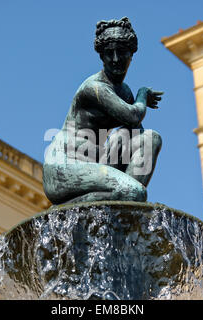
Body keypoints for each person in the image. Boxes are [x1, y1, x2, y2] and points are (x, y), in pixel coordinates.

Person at [43, 17, 163, 204]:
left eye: (121, 52)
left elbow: (136, 134)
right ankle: (116, 202)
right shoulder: (94, 88)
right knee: (134, 192)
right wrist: (142, 94)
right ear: (101, 56)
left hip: (95, 162)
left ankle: (126, 206)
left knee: (151, 139)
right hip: (64, 168)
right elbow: (133, 116)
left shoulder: (124, 92)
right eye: (109, 53)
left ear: (132, 54)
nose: (115, 59)